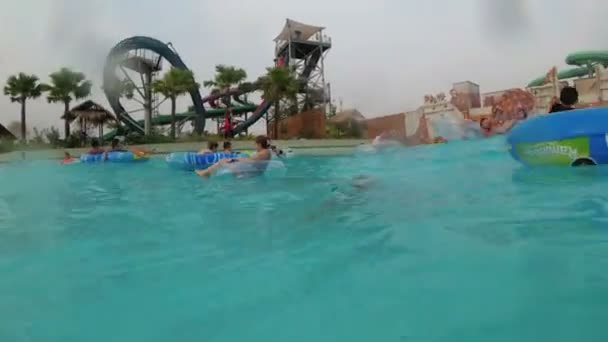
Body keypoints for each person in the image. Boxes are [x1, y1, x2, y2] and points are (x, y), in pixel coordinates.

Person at [195, 135, 271, 178]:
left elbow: (250, 160)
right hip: (254, 172)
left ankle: (205, 173)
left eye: (256, 144)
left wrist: (234, 159)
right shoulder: (265, 152)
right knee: (229, 164)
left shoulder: (264, 153)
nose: (255, 146)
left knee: (223, 161)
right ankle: (206, 173)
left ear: (260, 144)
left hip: (253, 173)